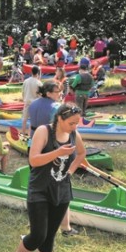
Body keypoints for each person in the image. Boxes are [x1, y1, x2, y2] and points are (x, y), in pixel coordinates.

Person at [8, 104, 87, 252]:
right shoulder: (44, 132)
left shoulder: (75, 135)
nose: (74, 126)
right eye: (71, 123)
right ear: (60, 118)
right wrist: (58, 153)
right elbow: (33, 160)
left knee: (50, 236)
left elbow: (82, 153)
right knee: (38, 235)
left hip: (62, 191)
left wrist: (71, 171)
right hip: (40, 190)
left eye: (77, 123)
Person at [28, 81, 79, 236]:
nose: (60, 94)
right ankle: (65, 227)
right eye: (57, 91)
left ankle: (40, 223)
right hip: (51, 145)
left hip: (34, 143)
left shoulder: (33, 104)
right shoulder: (56, 107)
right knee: (59, 184)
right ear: (48, 92)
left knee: (40, 181)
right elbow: (59, 128)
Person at [21, 66, 43, 137]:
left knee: (24, 119)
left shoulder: (26, 81)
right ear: (37, 73)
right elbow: (41, 95)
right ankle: (30, 134)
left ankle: (23, 133)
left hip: (27, 102)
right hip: (35, 103)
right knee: (32, 120)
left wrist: (24, 99)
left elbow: (23, 92)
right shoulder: (39, 83)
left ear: (31, 72)